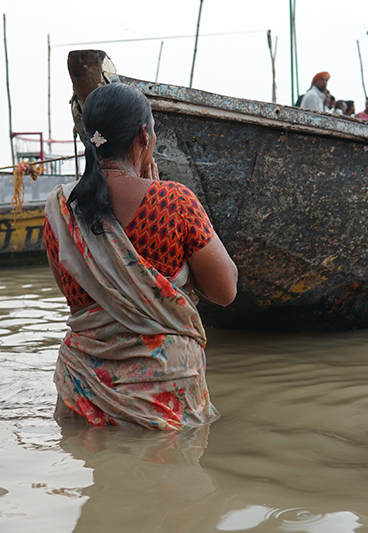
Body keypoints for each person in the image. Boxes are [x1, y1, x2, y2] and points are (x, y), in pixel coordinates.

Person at [42, 82, 238, 430]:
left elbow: (78, 299)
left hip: (84, 390)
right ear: (144, 136)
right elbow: (225, 290)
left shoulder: (59, 208)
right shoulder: (174, 202)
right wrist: (160, 195)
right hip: (163, 400)